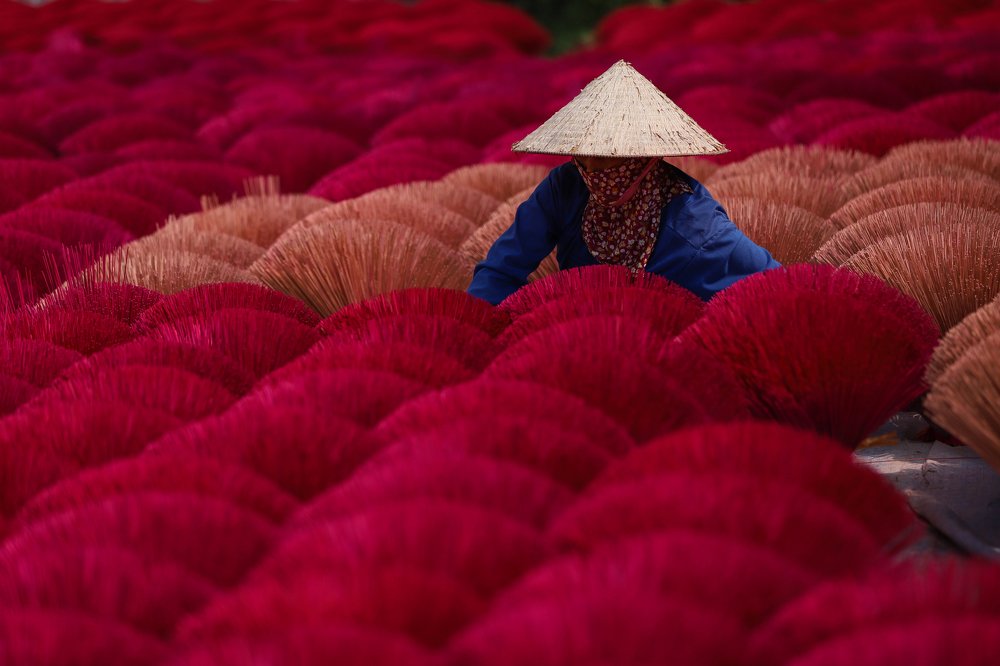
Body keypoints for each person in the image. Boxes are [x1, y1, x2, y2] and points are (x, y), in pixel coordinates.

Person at [468, 60, 780, 305]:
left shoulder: (696, 227)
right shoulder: (564, 189)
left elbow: (772, 285)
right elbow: (500, 270)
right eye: (584, 155)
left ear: (644, 159)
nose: (592, 170)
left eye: (607, 157)